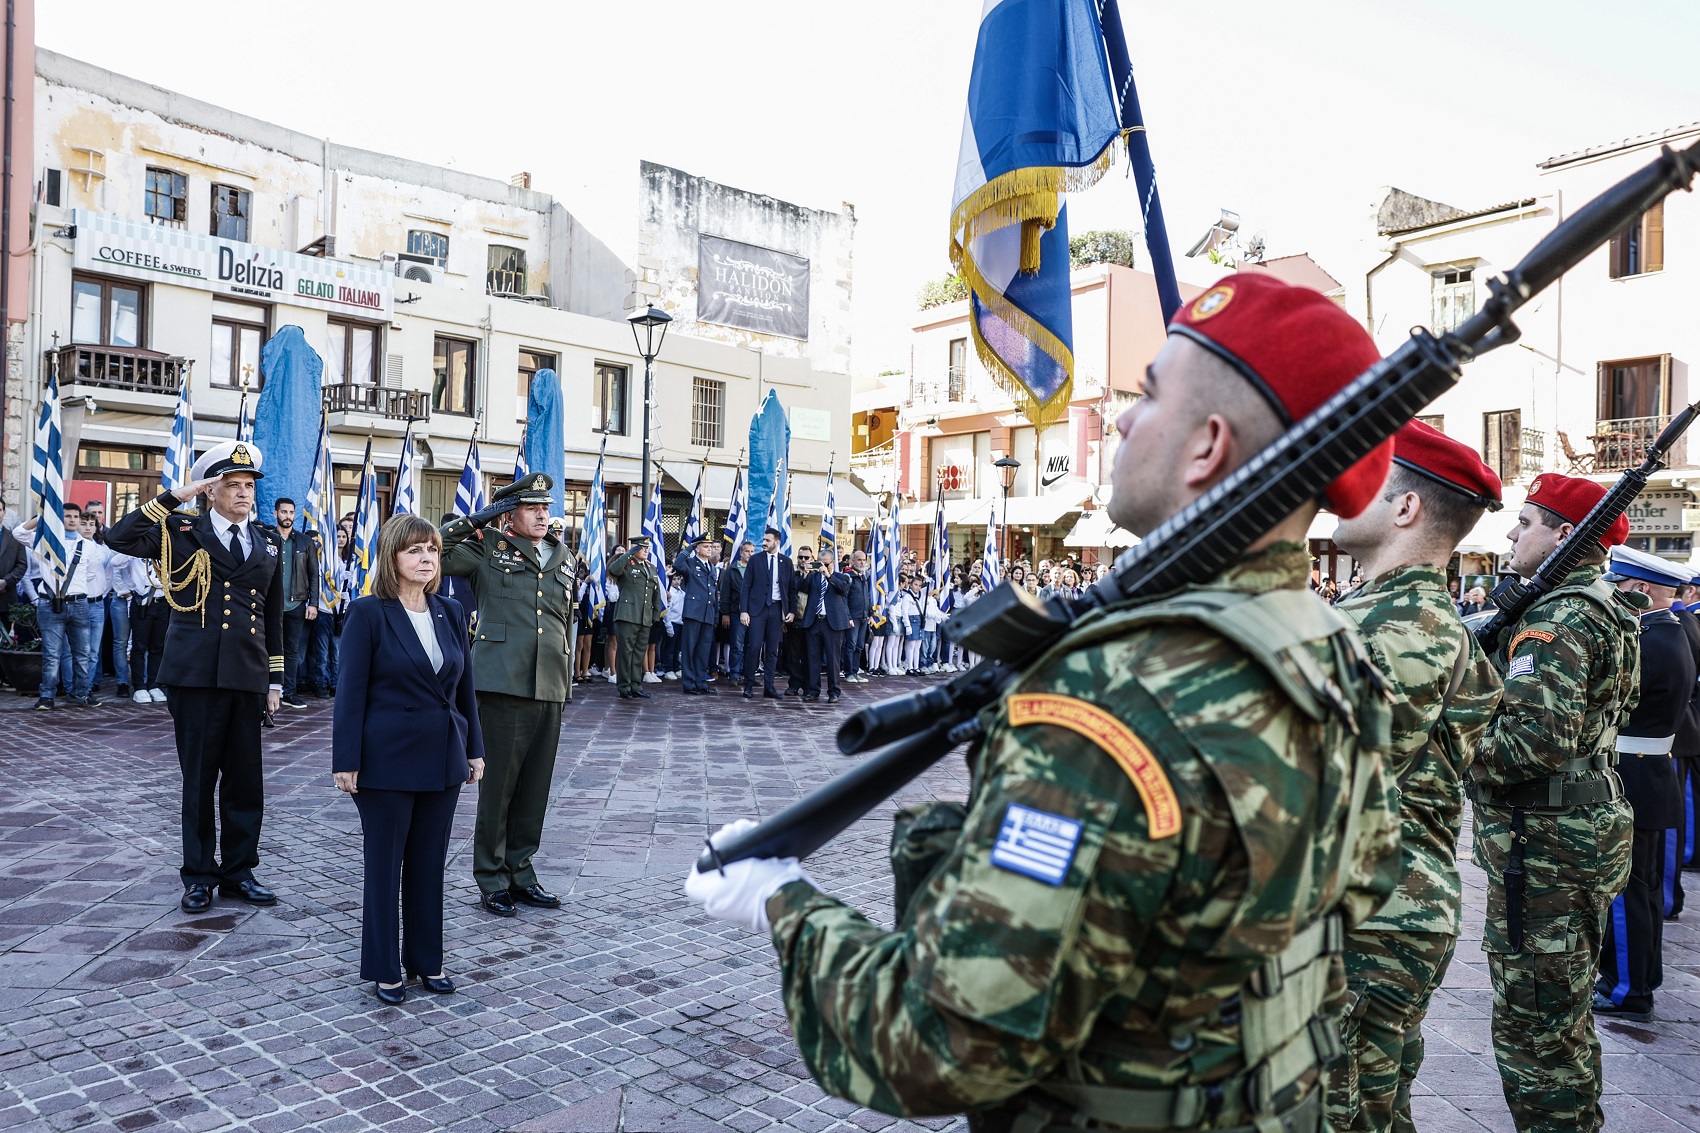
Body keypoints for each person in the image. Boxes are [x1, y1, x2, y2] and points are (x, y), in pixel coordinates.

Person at [685, 273, 1400, 1130]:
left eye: (1147, 394)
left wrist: (782, 902)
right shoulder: (1327, 649)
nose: (1126, 419)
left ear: (1208, 447)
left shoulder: (1113, 693)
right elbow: (1362, 886)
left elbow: (939, 1044)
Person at [1324, 421, 1506, 1132]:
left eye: (1364, 477)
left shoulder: (1408, 623)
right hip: (1382, 901)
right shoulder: (1389, 609)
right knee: (1373, 1107)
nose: (1340, 493)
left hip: (1375, 914)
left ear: (1405, 508)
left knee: (1343, 1113)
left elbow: (1337, 771)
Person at [1468, 472, 1637, 1133]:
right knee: (1560, 1018)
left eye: (1527, 521)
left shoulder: (1558, 618)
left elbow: (1527, 745)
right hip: (1572, 831)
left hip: (1543, 848)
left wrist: (1450, 733)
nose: (1512, 532)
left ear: (1567, 535)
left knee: (1535, 1029)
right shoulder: (1601, 603)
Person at [105, 441, 285, 913]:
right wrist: (174, 496)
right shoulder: (180, 530)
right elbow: (119, 538)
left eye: (248, 486)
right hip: (196, 674)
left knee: (246, 781)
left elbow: (272, 614)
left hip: (247, 674)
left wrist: (275, 680)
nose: (244, 494)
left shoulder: (268, 540)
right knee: (200, 778)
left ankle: (239, 872)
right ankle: (200, 875)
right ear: (210, 491)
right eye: (232, 486)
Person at [333, 514, 486, 1004]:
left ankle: (427, 961)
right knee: (385, 867)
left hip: (442, 757)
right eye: (415, 550)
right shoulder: (368, 612)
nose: (426, 559)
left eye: (433, 551)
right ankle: (384, 967)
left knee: (428, 865)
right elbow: (350, 693)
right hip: (385, 762)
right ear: (392, 557)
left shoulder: (450, 611)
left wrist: (474, 749)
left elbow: (465, 690)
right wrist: (346, 759)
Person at [439, 474, 575, 918]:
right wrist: (479, 520)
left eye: (545, 507)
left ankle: (522, 870)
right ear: (510, 512)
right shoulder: (486, 548)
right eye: (532, 507)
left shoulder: (563, 553)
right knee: (498, 789)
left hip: (550, 681)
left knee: (535, 787)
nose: (542, 514)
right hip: (502, 681)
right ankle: (492, 877)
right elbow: (435, 548)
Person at [1593, 545, 1693, 1022]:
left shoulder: (1650, 641)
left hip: (1634, 775)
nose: (1615, 593)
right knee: (1643, 887)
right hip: (1650, 775)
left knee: (1627, 889)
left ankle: (1627, 988)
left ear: (1644, 590)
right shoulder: (1667, 634)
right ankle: (1637, 979)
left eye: (1622, 586)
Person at [18, 503, 108, 709]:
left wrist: (73, 589)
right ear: (59, 519)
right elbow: (19, 532)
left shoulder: (89, 545)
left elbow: (90, 574)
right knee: (52, 653)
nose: (73, 520)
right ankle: (47, 696)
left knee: (83, 652)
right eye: (67, 516)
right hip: (49, 603)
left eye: (76, 516)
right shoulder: (44, 540)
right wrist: (42, 517)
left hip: (78, 603)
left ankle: (80, 693)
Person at [270, 498, 320, 710]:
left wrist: (313, 603)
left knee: (291, 651)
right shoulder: (267, 539)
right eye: (284, 512)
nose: (288, 516)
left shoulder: (304, 542)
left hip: (296, 604)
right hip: (270, 604)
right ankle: (267, 690)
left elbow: (314, 574)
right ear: (276, 514)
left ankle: (288, 692)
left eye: (291, 512)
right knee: (269, 648)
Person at [739, 528, 795, 700]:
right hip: (757, 610)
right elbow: (746, 587)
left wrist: (791, 610)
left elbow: (792, 589)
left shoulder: (786, 562)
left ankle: (769, 687)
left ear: (777, 542)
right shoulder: (755, 560)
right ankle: (748, 685)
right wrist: (744, 611)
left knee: (772, 650)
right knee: (754, 647)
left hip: (777, 610)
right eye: (763, 540)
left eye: (768, 540)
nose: (764, 543)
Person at [607, 536, 662, 700]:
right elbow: (613, 570)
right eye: (642, 548)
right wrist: (629, 553)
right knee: (626, 652)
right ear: (635, 549)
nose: (646, 551)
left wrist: (655, 614)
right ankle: (624, 687)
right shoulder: (626, 565)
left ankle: (636, 685)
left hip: (644, 616)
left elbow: (655, 593)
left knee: (639, 653)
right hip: (627, 615)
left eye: (647, 548)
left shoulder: (651, 567)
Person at [110, 551, 168, 704]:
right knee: (139, 646)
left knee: (157, 647)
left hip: (162, 601)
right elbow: (116, 562)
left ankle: (153, 684)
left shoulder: (166, 549)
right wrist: (137, 548)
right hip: (142, 602)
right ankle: (139, 686)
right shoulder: (136, 552)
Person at [799, 548, 850, 704]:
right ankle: (813, 690)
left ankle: (834, 691)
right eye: (819, 563)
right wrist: (806, 574)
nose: (822, 566)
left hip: (832, 623)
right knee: (813, 658)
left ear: (832, 562)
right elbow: (803, 589)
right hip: (814, 621)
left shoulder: (841, 577)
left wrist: (828, 576)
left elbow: (843, 589)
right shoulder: (814, 577)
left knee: (833, 660)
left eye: (825, 563)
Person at [672, 536, 720, 695]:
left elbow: (713, 593)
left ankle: (701, 682)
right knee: (689, 649)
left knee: (703, 650)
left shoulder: (712, 567)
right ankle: (689, 683)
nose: (709, 549)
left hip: (707, 613)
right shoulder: (691, 563)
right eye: (705, 546)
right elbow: (677, 564)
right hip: (693, 613)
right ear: (698, 548)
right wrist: (689, 548)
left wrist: (715, 616)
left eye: (710, 546)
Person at [719, 540, 752, 681]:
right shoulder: (731, 570)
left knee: (751, 645)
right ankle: (734, 673)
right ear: (741, 553)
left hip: (754, 614)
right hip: (736, 612)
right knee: (736, 645)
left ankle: (748, 674)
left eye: (752, 551)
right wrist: (725, 613)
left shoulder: (756, 569)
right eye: (747, 551)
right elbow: (725, 593)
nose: (749, 554)